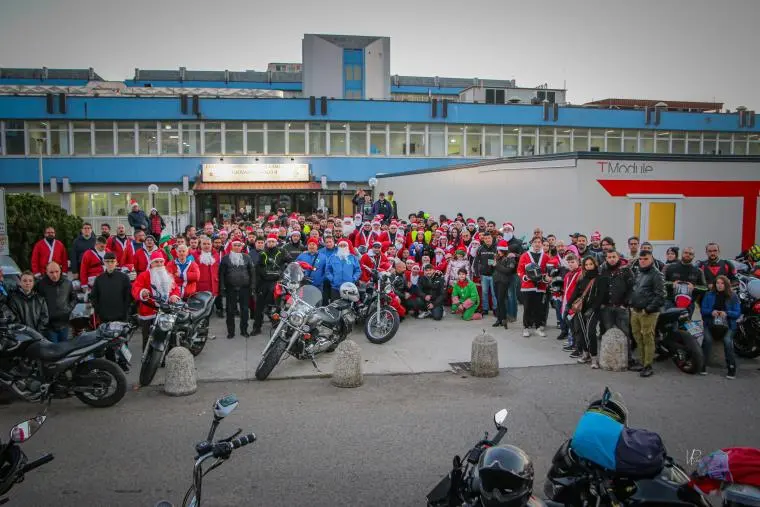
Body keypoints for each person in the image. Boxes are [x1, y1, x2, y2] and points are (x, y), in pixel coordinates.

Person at [132, 252, 181, 350]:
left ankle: (163, 356)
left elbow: (174, 288)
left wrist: (174, 295)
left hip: (165, 310)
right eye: (156, 262)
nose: (159, 264)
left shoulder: (167, 275)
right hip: (148, 310)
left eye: (161, 262)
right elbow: (135, 288)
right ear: (151, 263)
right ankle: (147, 357)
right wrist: (143, 292)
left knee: (166, 334)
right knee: (148, 336)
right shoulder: (144, 275)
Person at [629, 250, 666, 378]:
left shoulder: (656, 274)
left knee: (647, 338)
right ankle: (642, 361)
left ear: (651, 259)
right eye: (641, 259)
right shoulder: (639, 272)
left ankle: (648, 365)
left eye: (645, 259)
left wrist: (648, 309)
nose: (642, 261)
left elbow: (661, 296)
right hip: (636, 310)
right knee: (638, 337)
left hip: (648, 312)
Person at [570, 256, 607, 368]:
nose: (589, 267)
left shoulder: (600, 278)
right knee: (582, 332)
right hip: (581, 309)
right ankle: (586, 354)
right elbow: (576, 293)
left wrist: (593, 309)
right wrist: (568, 305)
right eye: (586, 265)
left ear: (595, 265)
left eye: (591, 264)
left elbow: (601, 296)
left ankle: (594, 358)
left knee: (590, 333)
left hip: (593, 310)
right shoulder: (582, 277)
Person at [700, 275, 740, 379]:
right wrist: (711, 312)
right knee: (707, 340)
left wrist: (727, 313)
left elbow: (737, 313)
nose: (719, 285)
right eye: (717, 283)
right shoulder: (708, 295)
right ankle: (702, 364)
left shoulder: (733, 296)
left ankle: (731, 367)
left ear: (726, 284)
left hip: (729, 325)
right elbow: (703, 310)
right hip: (711, 323)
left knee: (727, 341)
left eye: (722, 283)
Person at [599, 249, 635, 364]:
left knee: (625, 334)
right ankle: (609, 359)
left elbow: (632, 288)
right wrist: (602, 303)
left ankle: (628, 359)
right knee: (608, 333)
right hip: (607, 309)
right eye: (609, 257)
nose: (612, 259)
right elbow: (599, 288)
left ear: (618, 257)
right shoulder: (602, 271)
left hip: (621, 308)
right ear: (606, 259)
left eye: (614, 256)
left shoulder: (626, 271)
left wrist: (626, 304)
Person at [219, 240, 256, 339]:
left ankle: (244, 330)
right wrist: (222, 287)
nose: (237, 247)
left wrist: (252, 286)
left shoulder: (247, 257)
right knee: (230, 310)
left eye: (238, 245)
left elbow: (252, 272)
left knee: (244, 310)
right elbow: (221, 274)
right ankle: (231, 332)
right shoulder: (226, 258)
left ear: (241, 247)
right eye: (235, 245)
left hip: (245, 288)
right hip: (230, 288)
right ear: (231, 246)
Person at [252, 234, 287, 336]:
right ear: (266, 243)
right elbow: (258, 267)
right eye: (269, 242)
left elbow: (290, 261)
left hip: (277, 283)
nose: (271, 243)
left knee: (276, 305)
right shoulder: (262, 253)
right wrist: (265, 276)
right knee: (259, 306)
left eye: (273, 242)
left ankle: (276, 324)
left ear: (276, 242)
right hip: (263, 283)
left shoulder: (282, 251)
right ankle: (257, 327)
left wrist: (287, 269)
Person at [517, 237, 551, 337]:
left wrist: (546, 278)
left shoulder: (545, 257)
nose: (537, 244)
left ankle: (538, 327)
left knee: (539, 308)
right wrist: (525, 277)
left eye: (539, 242)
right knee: (527, 308)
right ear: (531, 244)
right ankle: (526, 328)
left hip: (540, 286)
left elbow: (547, 271)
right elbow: (519, 270)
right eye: (535, 242)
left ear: (541, 244)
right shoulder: (524, 255)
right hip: (528, 286)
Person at [36, 262, 76, 343]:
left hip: (64, 324)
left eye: (57, 271)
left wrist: (68, 309)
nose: (54, 275)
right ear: (46, 272)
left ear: (60, 271)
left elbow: (74, 298)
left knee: (64, 349)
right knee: (54, 351)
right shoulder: (41, 284)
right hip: (49, 326)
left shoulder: (67, 283)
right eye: (51, 272)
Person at [91, 252, 132, 324]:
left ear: (116, 262)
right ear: (104, 263)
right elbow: (94, 297)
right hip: (104, 317)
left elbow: (128, 297)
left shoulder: (124, 278)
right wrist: (99, 311)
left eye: (112, 261)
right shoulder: (99, 279)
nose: (110, 264)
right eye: (107, 261)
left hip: (121, 317)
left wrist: (125, 311)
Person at [663, 246, 705, 313]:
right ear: (682, 254)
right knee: (669, 323)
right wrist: (672, 284)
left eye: (690, 254)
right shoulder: (670, 267)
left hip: (689, 304)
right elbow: (661, 282)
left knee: (685, 323)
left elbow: (705, 288)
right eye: (686, 253)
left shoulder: (698, 271)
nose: (688, 255)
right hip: (670, 302)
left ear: (694, 256)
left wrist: (694, 287)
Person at [492, 239, 517, 329]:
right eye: (498, 250)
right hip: (496, 280)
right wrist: (492, 264)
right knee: (498, 300)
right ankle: (499, 319)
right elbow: (494, 268)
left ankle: (503, 319)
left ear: (504, 250)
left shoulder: (510, 258)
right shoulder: (497, 257)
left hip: (504, 282)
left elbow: (508, 271)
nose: (498, 252)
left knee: (501, 300)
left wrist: (497, 265)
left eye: (500, 250)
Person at [474, 233, 498, 317]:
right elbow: (476, 262)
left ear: (492, 239)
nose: (488, 239)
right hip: (484, 275)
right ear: (483, 239)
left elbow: (499, 261)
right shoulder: (480, 248)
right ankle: (485, 309)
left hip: (494, 275)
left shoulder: (496, 248)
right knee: (484, 293)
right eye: (486, 238)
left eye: (489, 238)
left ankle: (495, 309)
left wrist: (493, 264)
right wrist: (477, 274)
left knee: (494, 293)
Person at [196, 237, 220, 308]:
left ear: (211, 245)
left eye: (208, 244)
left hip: (214, 283)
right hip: (201, 285)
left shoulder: (216, 255)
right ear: (200, 245)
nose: (206, 246)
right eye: (204, 244)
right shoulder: (194, 255)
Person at [314, 236, 338, 305]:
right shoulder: (320, 251)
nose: (328, 244)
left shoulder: (338, 250)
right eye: (326, 242)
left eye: (330, 242)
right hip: (324, 279)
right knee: (324, 299)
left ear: (334, 242)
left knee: (334, 300)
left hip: (335, 278)